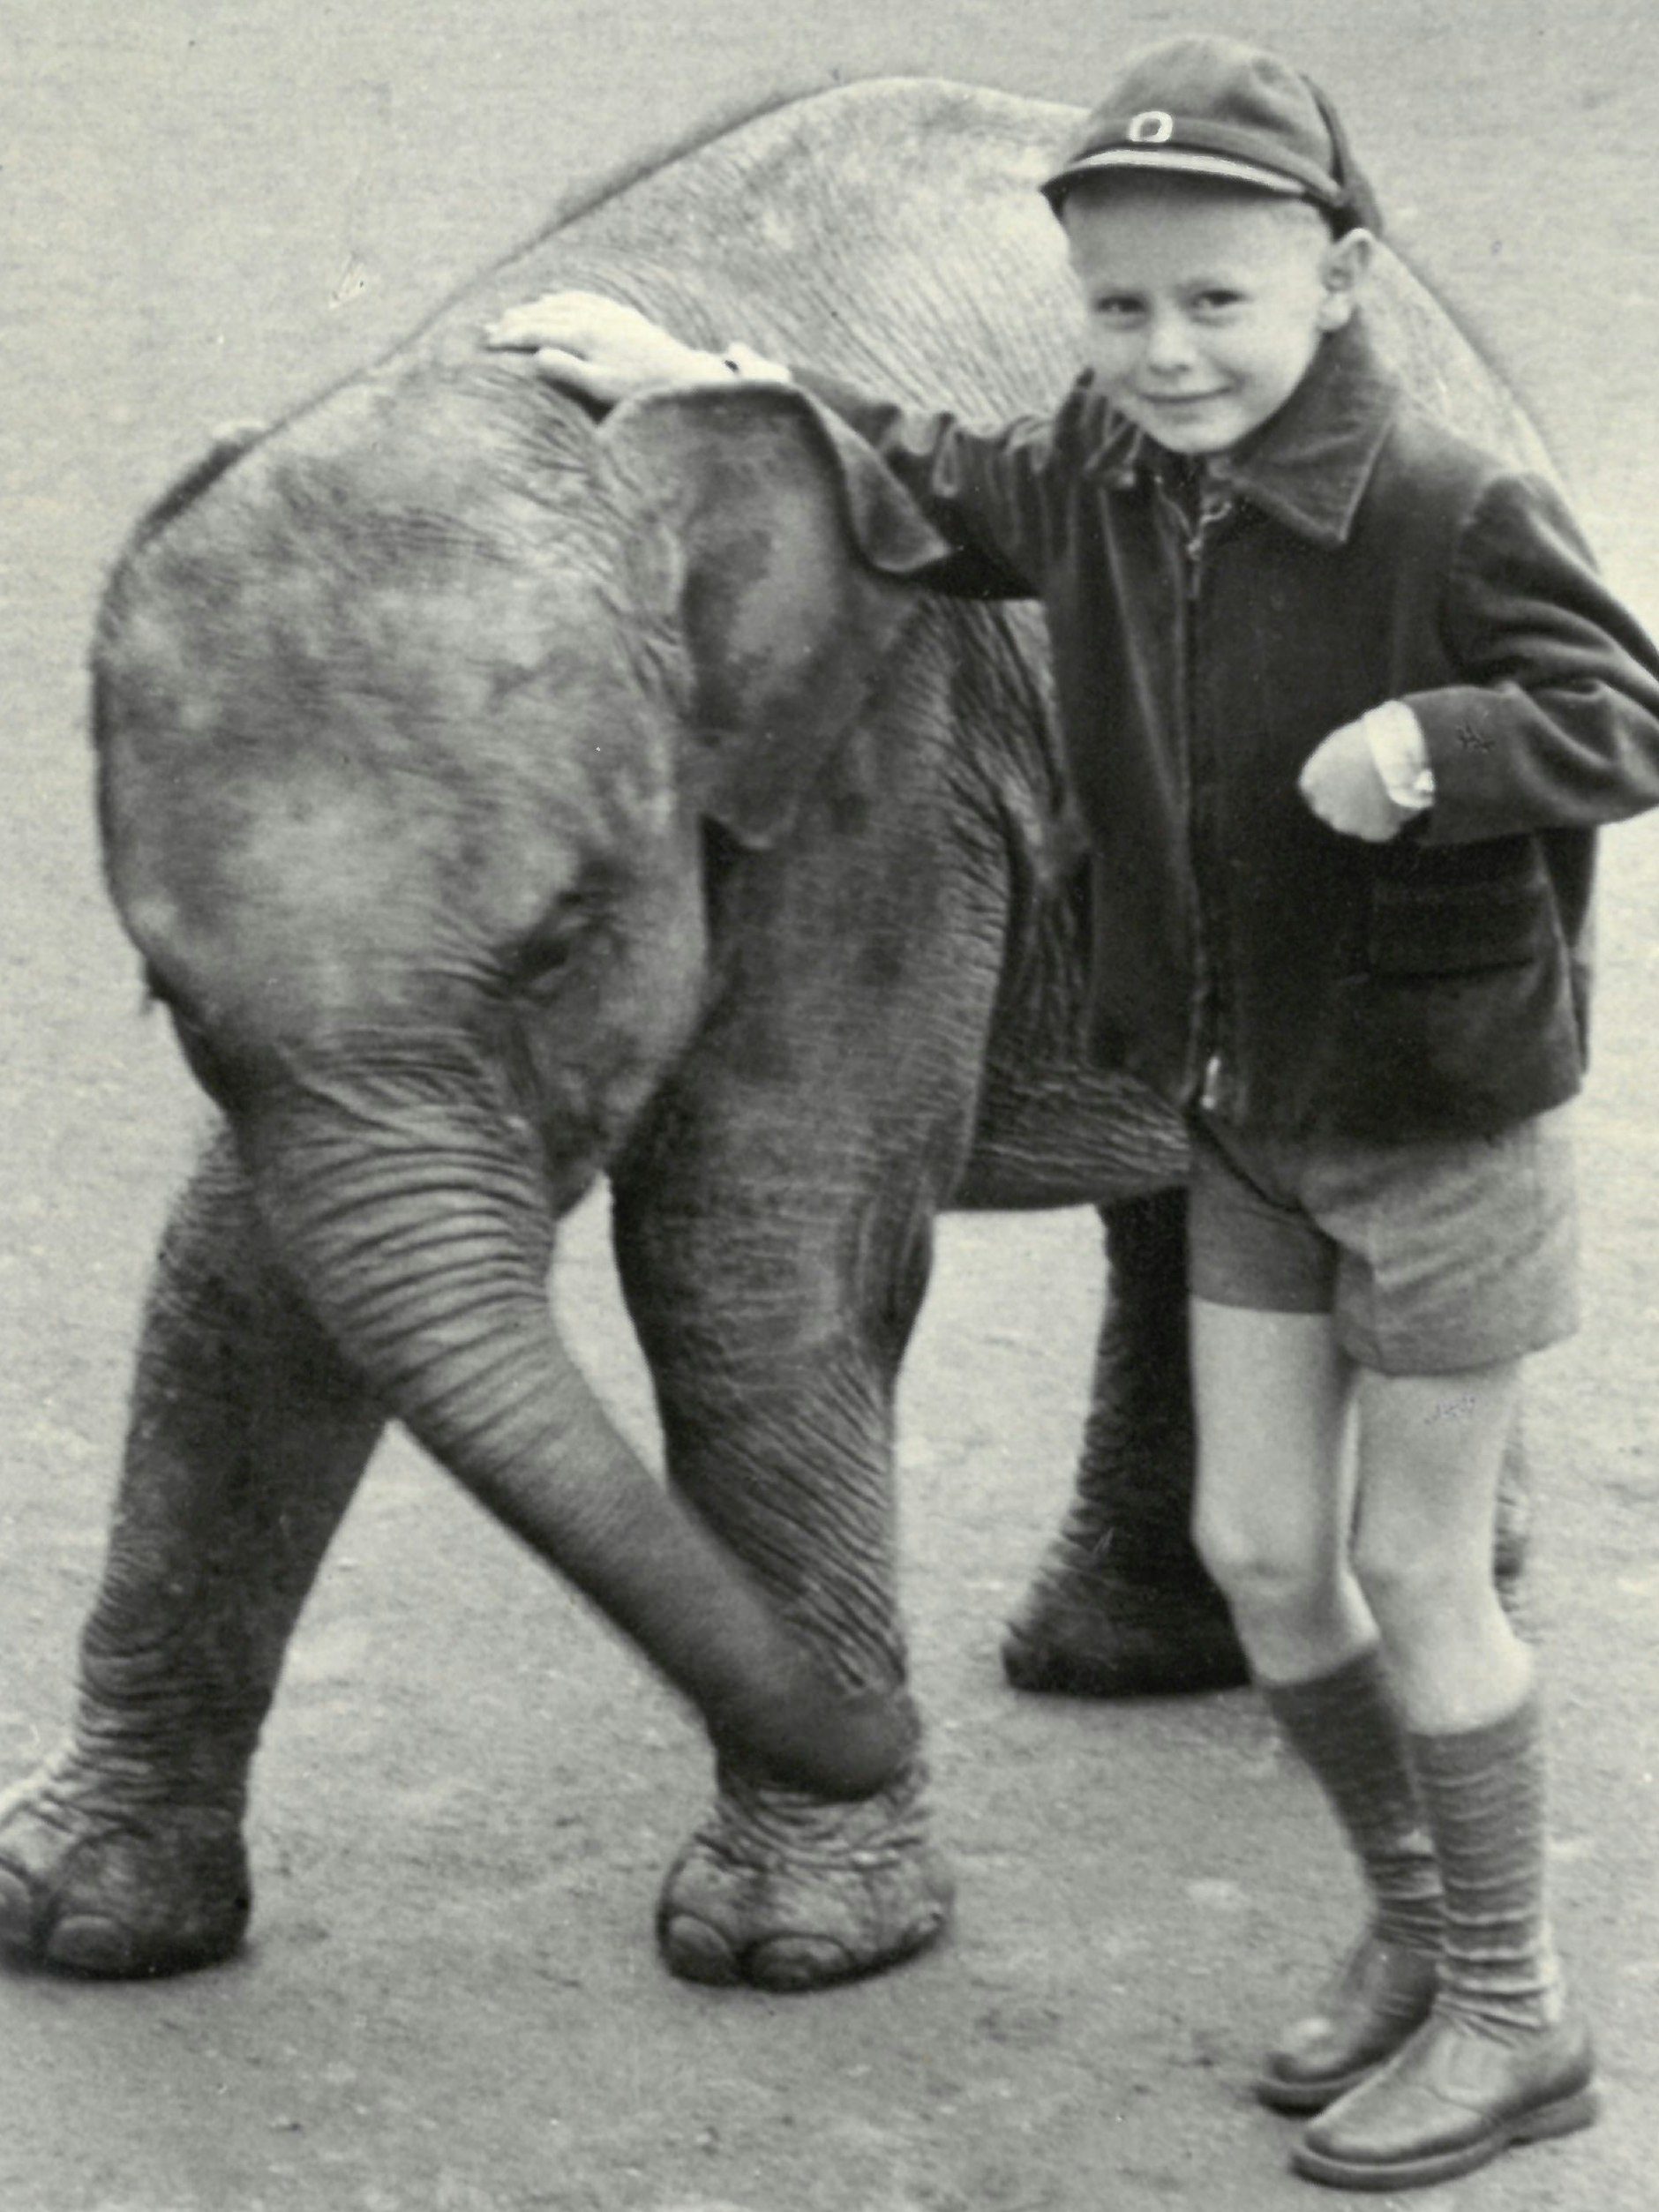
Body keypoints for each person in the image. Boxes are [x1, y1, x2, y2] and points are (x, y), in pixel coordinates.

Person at [485, 34, 1659, 2192]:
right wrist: (690, 373)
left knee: (1413, 1565)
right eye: (1117, 308)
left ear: (1339, 277)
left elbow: (1621, 710)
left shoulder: (1440, 507)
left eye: (1218, 300)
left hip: (1429, 1114)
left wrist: (1434, 748)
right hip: (1230, 1113)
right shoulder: (1107, 482)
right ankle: (1414, 1931)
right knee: (1249, 1561)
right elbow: (924, 473)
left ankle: (1516, 2012)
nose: (1168, 350)